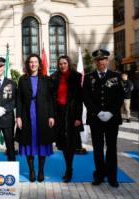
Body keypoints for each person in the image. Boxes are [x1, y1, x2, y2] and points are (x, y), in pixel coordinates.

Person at [83, 49, 124, 188]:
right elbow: (86, 98)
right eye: (98, 60)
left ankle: (112, 177)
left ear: (107, 61)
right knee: (98, 148)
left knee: (112, 148)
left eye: (103, 59)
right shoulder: (89, 77)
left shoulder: (116, 76)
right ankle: (99, 175)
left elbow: (120, 97)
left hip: (112, 119)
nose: (101, 62)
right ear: (95, 62)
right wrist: (99, 112)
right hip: (96, 118)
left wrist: (111, 112)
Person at [15, 54, 55, 183]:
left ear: (39, 64)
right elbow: (19, 100)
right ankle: (32, 170)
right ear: (28, 64)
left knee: (42, 141)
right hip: (27, 114)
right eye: (31, 62)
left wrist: (51, 116)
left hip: (43, 114)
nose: (33, 64)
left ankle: (41, 170)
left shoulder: (46, 79)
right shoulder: (22, 80)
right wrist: (18, 117)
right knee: (29, 142)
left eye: (35, 62)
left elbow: (50, 100)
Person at [51, 55, 83, 183]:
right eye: (60, 64)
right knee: (63, 144)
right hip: (59, 112)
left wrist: (78, 117)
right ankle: (68, 167)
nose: (62, 66)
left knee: (70, 144)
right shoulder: (54, 77)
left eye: (64, 63)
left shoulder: (76, 77)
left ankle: (69, 170)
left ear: (68, 64)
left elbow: (79, 100)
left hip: (72, 113)